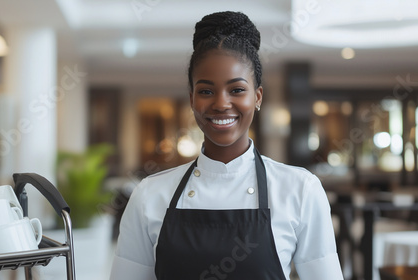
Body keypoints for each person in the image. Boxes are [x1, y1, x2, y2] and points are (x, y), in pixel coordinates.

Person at [110, 11, 343, 280]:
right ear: (192, 99)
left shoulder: (301, 190)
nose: (221, 103)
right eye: (206, 91)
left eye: (236, 90)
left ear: (257, 97)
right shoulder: (149, 195)